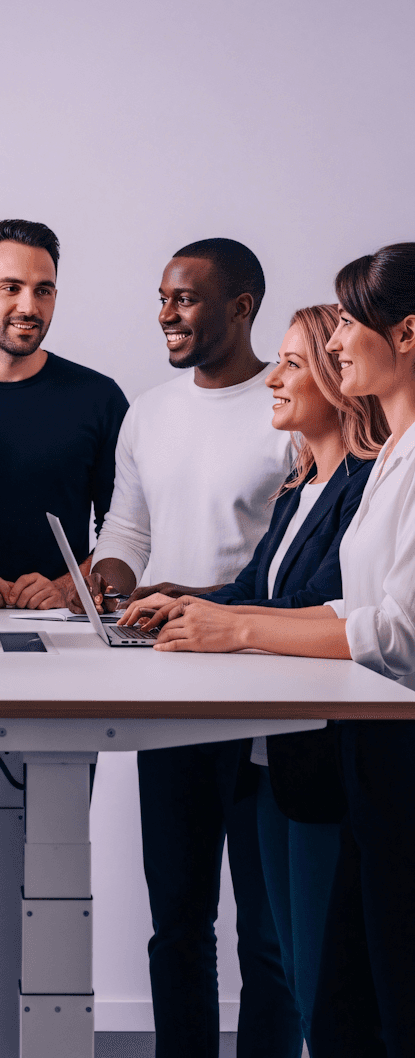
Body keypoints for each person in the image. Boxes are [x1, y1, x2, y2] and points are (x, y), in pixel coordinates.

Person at [141, 244, 415, 1058]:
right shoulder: (388, 460)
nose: (334, 347)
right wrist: (202, 608)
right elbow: (346, 606)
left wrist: (243, 627)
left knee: (362, 993)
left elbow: (396, 629)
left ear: (404, 334)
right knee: (344, 994)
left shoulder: (393, 466)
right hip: (365, 753)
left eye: (344, 330)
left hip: (381, 752)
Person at [68, 238, 301, 1058]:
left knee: (270, 936)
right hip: (167, 690)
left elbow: (301, 570)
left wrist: (187, 597)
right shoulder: (151, 411)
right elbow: (129, 529)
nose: (166, 313)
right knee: (177, 923)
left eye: (187, 299)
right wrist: (113, 578)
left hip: (268, 696)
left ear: (241, 308)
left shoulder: (292, 405)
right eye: (163, 296)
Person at [0, 218, 128, 1056]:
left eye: (43, 288)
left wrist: (74, 578)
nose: (28, 304)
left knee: (52, 862)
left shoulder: (97, 397)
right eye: (10, 287)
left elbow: (124, 534)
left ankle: (47, 1040)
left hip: (65, 660)